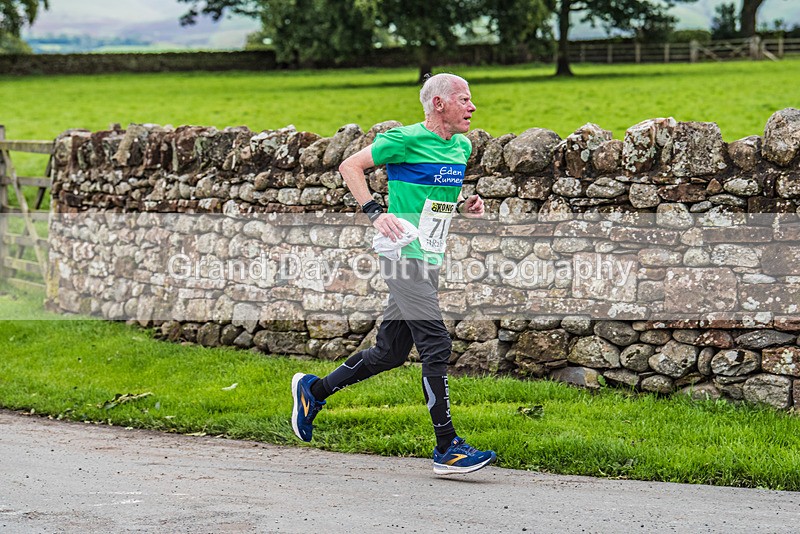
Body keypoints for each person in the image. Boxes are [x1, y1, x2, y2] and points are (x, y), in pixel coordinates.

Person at [291, 73, 496, 475]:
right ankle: (447, 448)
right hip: (402, 255)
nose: (472, 107)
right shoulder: (403, 139)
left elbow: (432, 203)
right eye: (464, 100)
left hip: (429, 257)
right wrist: (375, 212)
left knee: (389, 353)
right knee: (436, 343)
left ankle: (313, 391)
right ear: (439, 103)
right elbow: (349, 166)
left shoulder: (462, 146)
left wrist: (463, 208)